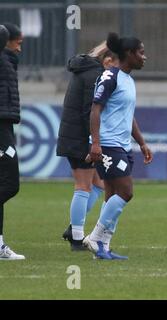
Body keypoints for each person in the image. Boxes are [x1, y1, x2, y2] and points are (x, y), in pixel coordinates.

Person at [82, 32, 152, 260]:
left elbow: (128, 116)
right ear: (129, 54)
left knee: (112, 195)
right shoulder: (109, 77)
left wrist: (141, 142)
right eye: (141, 52)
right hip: (108, 145)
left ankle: (103, 248)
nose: (144, 57)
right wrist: (96, 144)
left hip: (121, 146)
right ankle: (94, 238)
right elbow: (95, 109)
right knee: (126, 192)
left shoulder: (128, 80)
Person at [57, 41, 118, 251]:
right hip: (80, 138)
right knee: (83, 186)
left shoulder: (87, 69)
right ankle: (76, 238)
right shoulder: (95, 75)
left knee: (99, 184)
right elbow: (89, 111)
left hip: (75, 135)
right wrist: (95, 141)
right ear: (108, 60)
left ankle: (73, 228)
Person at [0, 23, 25, 260]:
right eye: (18, 43)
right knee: (10, 183)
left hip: (5, 125)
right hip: (0, 129)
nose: (19, 49)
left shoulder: (7, 62)